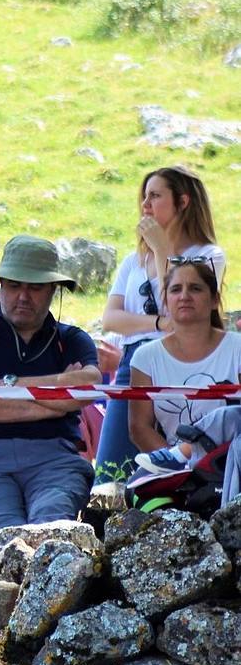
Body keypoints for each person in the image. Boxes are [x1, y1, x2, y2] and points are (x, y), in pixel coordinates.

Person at [0, 236, 101, 566]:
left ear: (54, 290)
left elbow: (87, 388)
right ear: (0, 286)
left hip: (55, 458)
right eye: (13, 285)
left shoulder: (72, 340)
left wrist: (2, 388)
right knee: (6, 537)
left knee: (52, 532)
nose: (23, 296)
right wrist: (58, 392)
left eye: (35, 287)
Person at [96, 166, 225, 481]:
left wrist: (162, 249)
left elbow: (184, 305)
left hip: (185, 361)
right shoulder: (132, 261)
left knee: (188, 452)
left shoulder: (209, 255)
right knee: (110, 470)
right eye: (144, 197)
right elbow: (111, 319)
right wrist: (158, 322)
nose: (145, 205)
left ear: (182, 202)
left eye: (155, 196)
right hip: (133, 364)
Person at [127, 260, 240, 454]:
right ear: (165, 301)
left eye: (195, 288)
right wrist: (177, 466)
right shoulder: (145, 357)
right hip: (175, 472)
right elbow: (139, 428)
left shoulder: (237, 347)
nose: (184, 296)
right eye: (176, 289)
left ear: (214, 300)